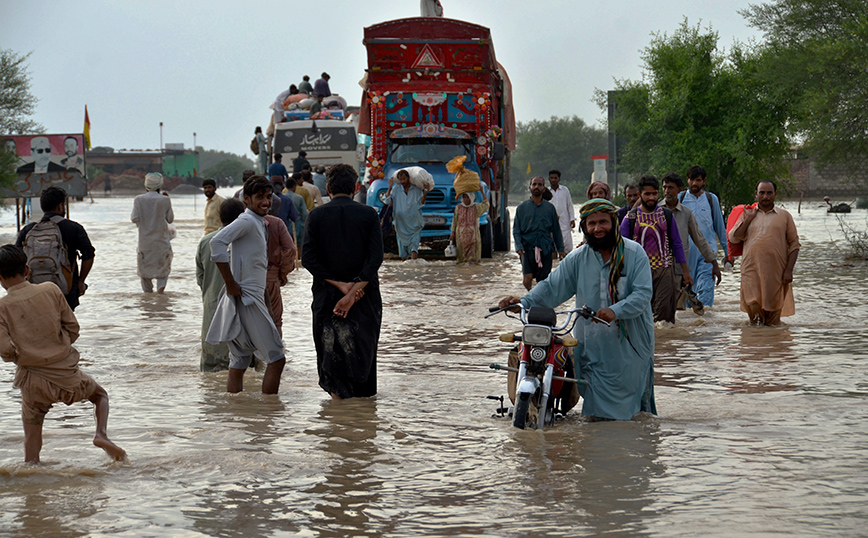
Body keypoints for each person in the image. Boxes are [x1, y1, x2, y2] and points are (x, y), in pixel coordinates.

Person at [498, 199, 656, 421]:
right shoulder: (578, 258)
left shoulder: (634, 253)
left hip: (628, 348)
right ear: (584, 227)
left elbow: (642, 295)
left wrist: (615, 310)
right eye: (591, 224)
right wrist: (523, 302)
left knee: (629, 414)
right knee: (594, 413)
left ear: (614, 222)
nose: (597, 229)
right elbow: (552, 287)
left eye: (603, 222)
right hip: (591, 348)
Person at [0, 244, 126, 463]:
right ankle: (101, 435)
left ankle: (33, 486)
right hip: (67, 375)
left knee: (31, 440)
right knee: (100, 396)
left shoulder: (3, 306)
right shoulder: (50, 289)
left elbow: (5, 351)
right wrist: (58, 349)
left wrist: (26, 356)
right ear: (27, 270)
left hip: (32, 380)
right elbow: (73, 328)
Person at [302, 164, 383, 399]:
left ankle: (339, 419)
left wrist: (341, 287)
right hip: (365, 297)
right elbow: (375, 259)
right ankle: (361, 421)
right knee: (363, 354)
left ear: (327, 188)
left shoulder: (316, 215)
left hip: (328, 297)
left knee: (331, 355)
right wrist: (354, 291)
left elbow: (308, 259)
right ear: (356, 187)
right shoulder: (369, 214)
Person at [207, 176, 286, 394]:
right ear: (247, 199)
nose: (265, 202)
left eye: (268, 197)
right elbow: (217, 243)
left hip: (248, 296)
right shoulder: (247, 221)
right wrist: (230, 282)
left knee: (240, 359)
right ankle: (269, 416)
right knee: (277, 358)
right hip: (246, 298)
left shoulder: (258, 222)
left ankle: (239, 415)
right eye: (259, 197)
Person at [620, 175, 691, 323]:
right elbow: (620, 249)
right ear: (640, 195)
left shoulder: (666, 215)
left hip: (664, 271)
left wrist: (685, 272)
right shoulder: (630, 218)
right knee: (640, 315)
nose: (651, 197)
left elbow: (677, 244)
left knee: (663, 320)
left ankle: (664, 345)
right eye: (647, 194)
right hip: (638, 273)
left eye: (654, 193)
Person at [728, 180, 800, 325]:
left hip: (776, 272)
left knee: (772, 317)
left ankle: (771, 344)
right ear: (756, 194)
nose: (765, 197)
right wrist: (748, 219)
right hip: (751, 270)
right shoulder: (746, 214)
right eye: (762, 193)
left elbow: (794, 245)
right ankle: (754, 345)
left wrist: (789, 271)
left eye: (769, 193)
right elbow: (734, 238)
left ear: (775, 194)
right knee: (754, 311)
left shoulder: (784, 216)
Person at [16, 186, 95, 311]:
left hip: (34, 292)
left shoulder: (28, 230)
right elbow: (89, 254)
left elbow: (16, 258)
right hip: (66, 292)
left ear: (43, 207)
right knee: (66, 327)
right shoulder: (74, 228)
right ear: (60, 206)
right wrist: (81, 281)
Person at [196, 198, 245, 372]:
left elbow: (200, 277)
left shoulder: (206, 241)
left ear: (219, 216)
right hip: (242, 305)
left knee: (212, 367)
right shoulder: (246, 241)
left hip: (212, 304)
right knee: (243, 363)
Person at [660, 172, 720, 312]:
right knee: (661, 310)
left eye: (671, 188)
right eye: (665, 187)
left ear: (679, 189)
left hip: (680, 271)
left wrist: (714, 263)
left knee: (680, 314)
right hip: (659, 271)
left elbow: (699, 240)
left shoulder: (686, 214)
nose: (667, 191)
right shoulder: (656, 211)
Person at [680, 165, 728, 308]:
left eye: (698, 180)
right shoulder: (680, 198)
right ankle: (692, 326)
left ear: (704, 181)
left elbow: (720, 227)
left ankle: (706, 324)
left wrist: (727, 253)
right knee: (688, 293)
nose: (694, 183)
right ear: (687, 180)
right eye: (691, 180)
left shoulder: (711, 199)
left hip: (708, 254)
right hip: (687, 255)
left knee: (706, 291)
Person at [513, 176, 565, 290]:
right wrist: (518, 246)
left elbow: (556, 230)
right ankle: (530, 297)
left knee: (543, 280)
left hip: (545, 247)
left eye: (540, 185)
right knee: (527, 278)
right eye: (534, 184)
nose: (537, 187)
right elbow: (516, 230)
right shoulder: (522, 208)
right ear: (530, 187)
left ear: (544, 188)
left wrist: (560, 249)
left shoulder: (550, 208)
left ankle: (540, 302)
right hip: (527, 247)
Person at [131, 173, 174, 294]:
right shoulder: (165, 200)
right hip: (162, 241)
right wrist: (168, 201)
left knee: (145, 273)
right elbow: (170, 219)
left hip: (145, 243)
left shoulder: (138, 200)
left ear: (146, 186)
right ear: (160, 186)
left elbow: (134, 218)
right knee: (162, 272)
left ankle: (148, 298)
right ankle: (160, 294)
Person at [383, 168, 429, 260]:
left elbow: (421, 203)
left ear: (408, 178)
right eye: (400, 179)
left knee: (414, 246)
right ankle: (405, 269)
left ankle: (413, 267)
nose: (402, 181)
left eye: (404, 179)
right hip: (401, 224)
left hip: (414, 222)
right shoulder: (396, 189)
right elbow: (387, 200)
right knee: (402, 250)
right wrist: (390, 187)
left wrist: (425, 193)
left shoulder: (416, 189)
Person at [264, 211, 296, 338]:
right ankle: (276, 355)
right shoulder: (276, 223)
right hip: (271, 279)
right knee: (275, 321)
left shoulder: (240, 222)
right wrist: (282, 273)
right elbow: (290, 250)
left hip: (246, 281)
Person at [449, 191, 489, 263]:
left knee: (474, 259)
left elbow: (486, 204)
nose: (466, 199)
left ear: (472, 198)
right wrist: (452, 233)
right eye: (464, 197)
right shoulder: (458, 208)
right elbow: (454, 221)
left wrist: (482, 192)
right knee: (462, 259)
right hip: (461, 237)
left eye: (468, 197)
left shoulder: (476, 207)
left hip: (473, 237)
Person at [547, 169, 575, 251]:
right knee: (552, 246)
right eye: (551, 178)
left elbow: (569, 205)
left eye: (555, 178)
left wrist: (572, 219)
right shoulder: (546, 192)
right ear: (549, 179)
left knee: (567, 245)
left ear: (559, 179)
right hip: (551, 222)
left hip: (564, 221)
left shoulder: (565, 190)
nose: (553, 180)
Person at [285, 174, 309, 247]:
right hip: (298, 224)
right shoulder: (299, 198)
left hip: (286, 224)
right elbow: (304, 214)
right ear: (294, 186)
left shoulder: (282, 197)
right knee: (299, 246)